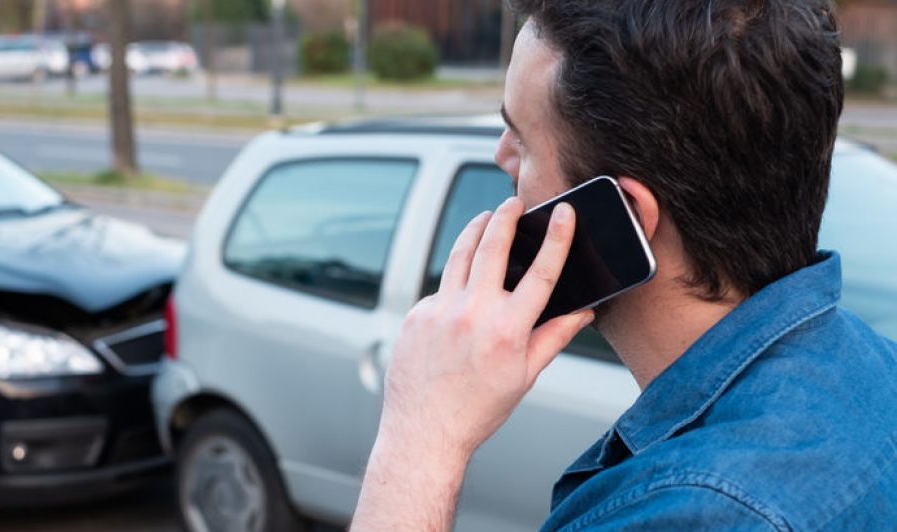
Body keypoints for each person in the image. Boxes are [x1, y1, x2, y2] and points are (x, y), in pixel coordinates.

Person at [351, 0, 897, 530]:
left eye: (522, 138)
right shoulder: (877, 369)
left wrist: (420, 440)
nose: (502, 157)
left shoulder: (697, 512)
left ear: (625, 215)